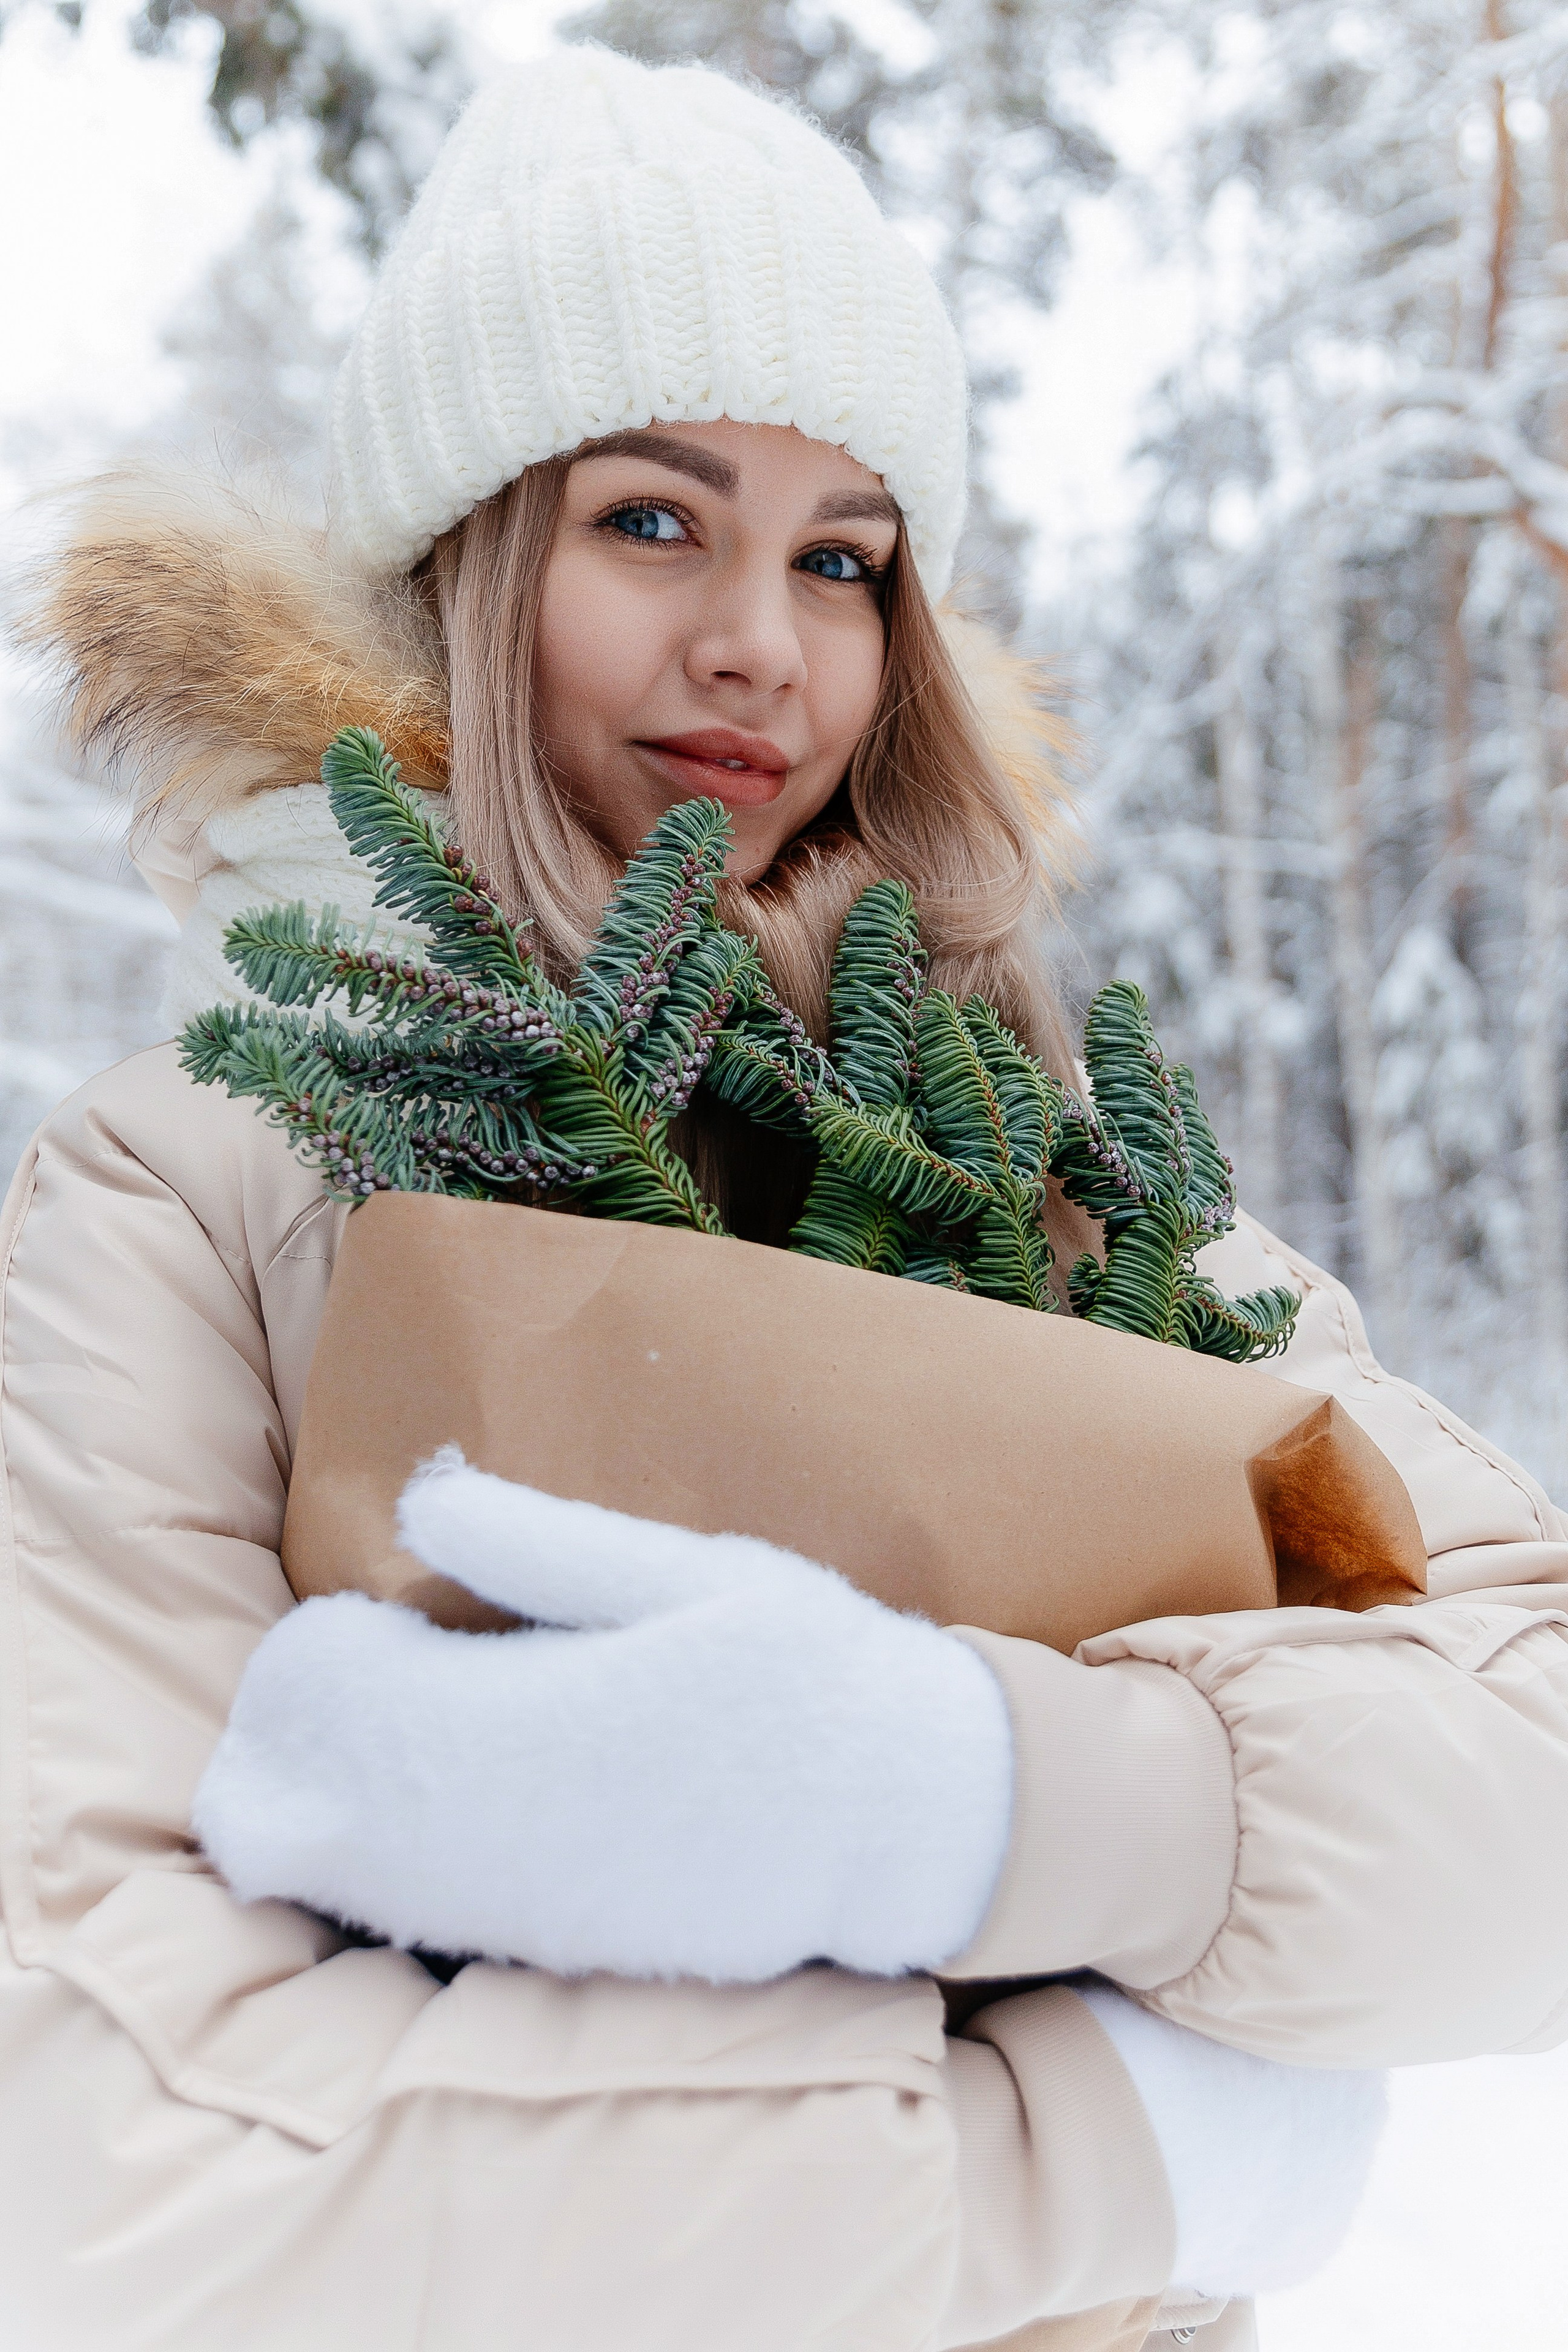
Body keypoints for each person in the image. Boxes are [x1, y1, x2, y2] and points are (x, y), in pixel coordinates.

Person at [4, 48, 1568, 2352]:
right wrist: (1079, 2157)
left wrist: (997, 1800)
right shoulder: (197, 1187)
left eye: (845, 559)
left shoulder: (1041, 1168)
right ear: (466, 556)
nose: (764, 642)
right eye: (655, 521)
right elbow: (105, 2151)